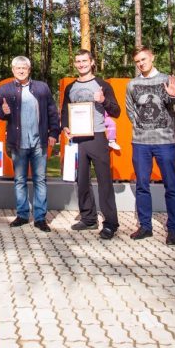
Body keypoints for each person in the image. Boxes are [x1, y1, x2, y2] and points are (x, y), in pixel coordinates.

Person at [125, 46, 175, 245]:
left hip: (165, 142)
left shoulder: (166, 80)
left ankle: (173, 229)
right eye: (137, 61)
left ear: (152, 57)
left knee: (171, 186)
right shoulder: (132, 85)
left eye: (144, 59)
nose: (141, 63)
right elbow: (130, 110)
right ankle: (145, 226)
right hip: (141, 143)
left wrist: (173, 95)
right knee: (142, 186)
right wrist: (142, 127)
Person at [0, 55, 60, 232]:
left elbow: (52, 111)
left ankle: (40, 218)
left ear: (29, 70)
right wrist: (3, 111)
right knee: (20, 180)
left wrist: (54, 132)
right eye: (18, 68)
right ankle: (22, 215)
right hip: (18, 143)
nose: (21, 70)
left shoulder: (42, 88)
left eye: (24, 67)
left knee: (40, 180)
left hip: (39, 143)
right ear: (13, 70)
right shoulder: (5, 89)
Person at [60, 49, 121, 240]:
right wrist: (65, 127)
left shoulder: (102, 85)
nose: (81, 64)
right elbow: (64, 111)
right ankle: (88, 218)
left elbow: (117, 111)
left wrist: (103, 101)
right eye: (78, 61)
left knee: (104, 181)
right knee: (82, 180)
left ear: (91, 62)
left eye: (84, 61)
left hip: (97, 136)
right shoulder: (70, 88)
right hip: (78, 138)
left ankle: (110, 223)